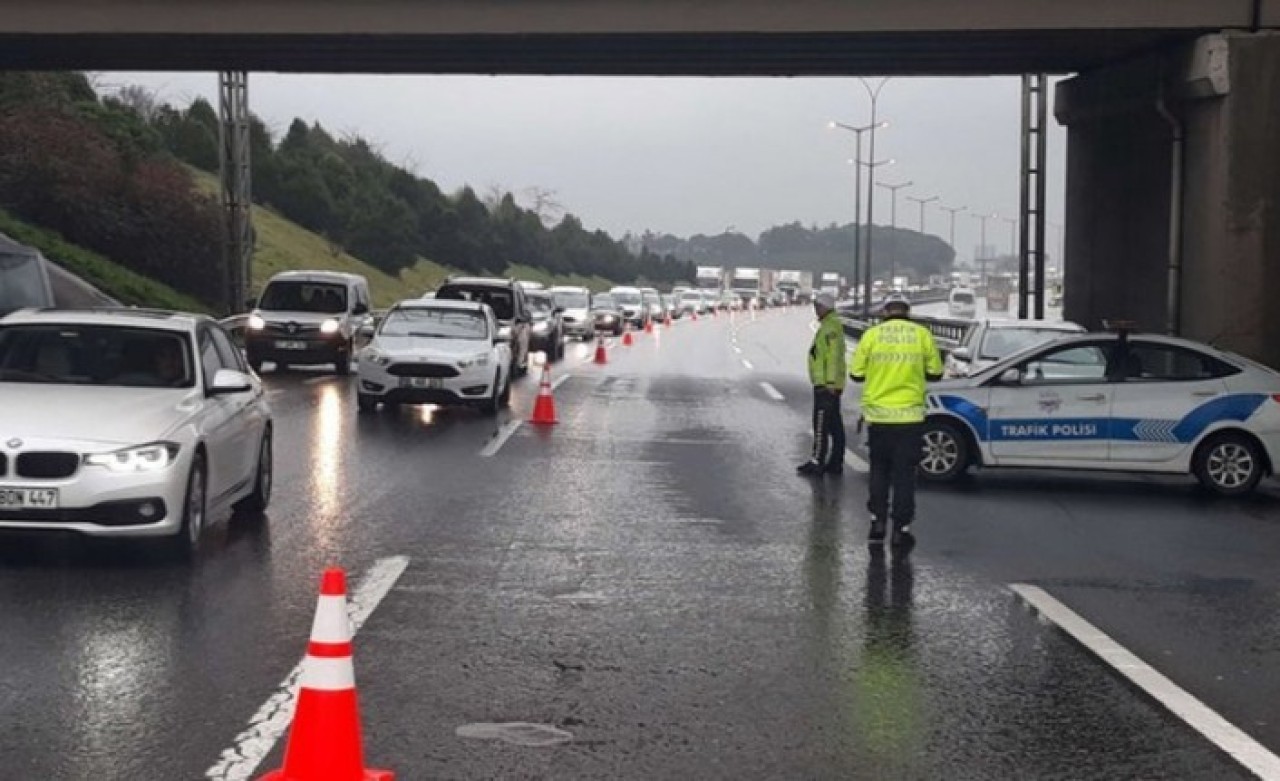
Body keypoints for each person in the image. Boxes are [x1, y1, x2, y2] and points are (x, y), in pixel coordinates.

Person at [850, 293, 943, 550]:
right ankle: (901, 530)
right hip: (910, 418)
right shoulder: (922, 335)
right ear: (908, 312)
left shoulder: (872, 335)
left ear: (885, 311)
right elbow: (936, 372)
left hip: (879, 417)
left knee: (879, 470)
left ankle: (877, 522)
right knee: (904, 475)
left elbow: (856, 374)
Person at [798, 292, 847, 477]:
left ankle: (817, 462)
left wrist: (830, 383)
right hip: (829, 384)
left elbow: (833, 357)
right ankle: (835, 462)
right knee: (834, 425)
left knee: (821, 425)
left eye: (818, 307)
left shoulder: (830, 327)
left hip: (826, 385)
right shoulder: (830, 325)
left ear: (826, 307)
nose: (816, 310)